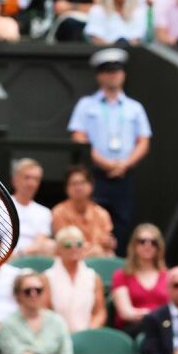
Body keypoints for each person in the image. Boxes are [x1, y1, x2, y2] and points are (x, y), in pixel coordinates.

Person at [68, 48, 152, 253]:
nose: (113, 75)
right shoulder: (86, 105)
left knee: (123, 222)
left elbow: (143, 141)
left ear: (123, 74)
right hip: (96, 174)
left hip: (125, 174)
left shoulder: (135, 107)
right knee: (93, 220)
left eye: (117, 70)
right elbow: (79, 136)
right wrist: (103, 162)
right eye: (108, 71)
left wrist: (126, 163)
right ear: (99, 75)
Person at [0, 272, 74, 354]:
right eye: (28, 291)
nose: (34, 294)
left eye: (38, 290)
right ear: (18, 295)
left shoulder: (57, 322)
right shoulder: (8, 323)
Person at [45, 227, 106, 333]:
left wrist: (90, 330)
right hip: (58, 335)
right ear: (58, 249)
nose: (74, 248)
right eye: (68, 245)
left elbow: (99, 312)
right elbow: (45, 312)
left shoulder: (94, 277)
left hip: (87, 336)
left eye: (78, 244)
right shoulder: (46, 278)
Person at [111, 223, 168, 333]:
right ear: (134, 245)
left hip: (162, 328)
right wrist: (152, 315)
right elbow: (125, 312)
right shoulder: (121, 275)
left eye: (153, 242)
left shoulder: (168, 276)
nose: (148, 245)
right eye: (142, 241)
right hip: (133, 328)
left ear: (159, 247)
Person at [7, 158, 54, 257]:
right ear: (15, 180)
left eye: (36, 179)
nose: (31, 183)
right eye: (27, 177)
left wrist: (19, 255)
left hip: (31, 263)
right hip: (2, 262)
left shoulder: (45, 212)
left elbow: (41, 243)